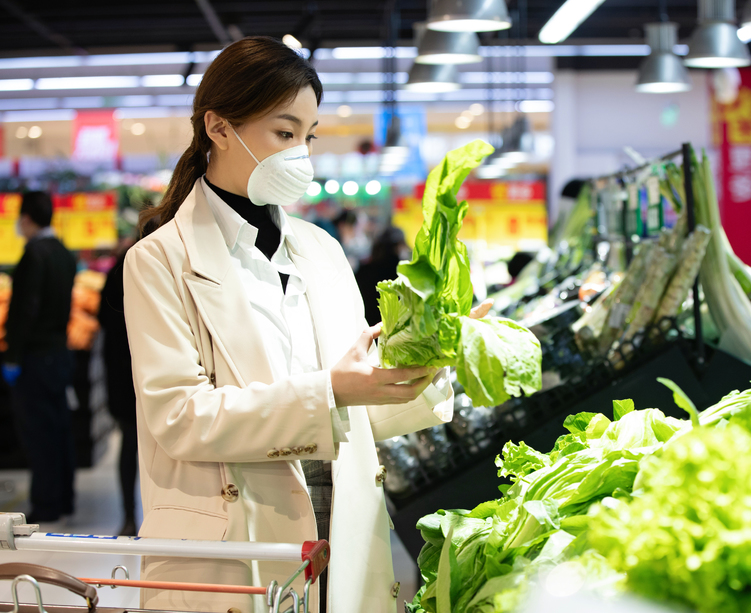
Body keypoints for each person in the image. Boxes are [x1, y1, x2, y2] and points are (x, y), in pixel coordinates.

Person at [122, 37, 490, 613]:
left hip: (339, 532)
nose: (301, 152)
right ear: (219, 127)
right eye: (284, 132)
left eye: (309, 135)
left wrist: (434, 357)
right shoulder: (160, 259)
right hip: (234, 545)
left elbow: (354, 407)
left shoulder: (320, 250)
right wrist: (331, 391)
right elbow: (178, 417)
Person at [2, 191, 77, 525]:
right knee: (60, 428)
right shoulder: (63, 252)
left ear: (27, 217)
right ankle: (64, 498)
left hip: (35, 356)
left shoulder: (34, 253)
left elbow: (24, 309)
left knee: (38, 432)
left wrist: (13, 357)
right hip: (59, 353)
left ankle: (45, 504)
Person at [98, 236, 139, 536]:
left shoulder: (122, 265)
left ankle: (129, 517)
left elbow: (104, 318)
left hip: (126, 374)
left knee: (129, 447)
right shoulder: (172, 258)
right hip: (135, 374)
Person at [354, 226, 408, 326]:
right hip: (391, 332)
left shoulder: (364, 270)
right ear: (397, 246)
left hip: (366, 328)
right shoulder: (401, 274)